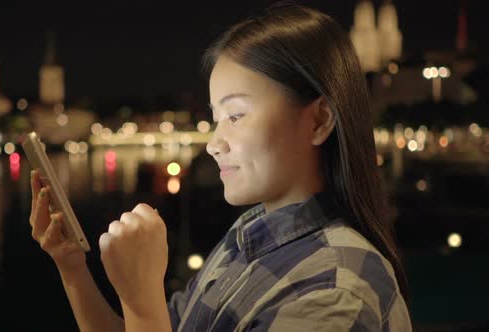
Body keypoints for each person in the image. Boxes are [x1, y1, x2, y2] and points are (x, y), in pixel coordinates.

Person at [29, 2, 412, 331]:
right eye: (216, 118)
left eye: (236, 114)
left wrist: (143, 297)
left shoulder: (334, 292)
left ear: (318, 121)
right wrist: (73, 267)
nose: (213, 143)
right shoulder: (248, 235)